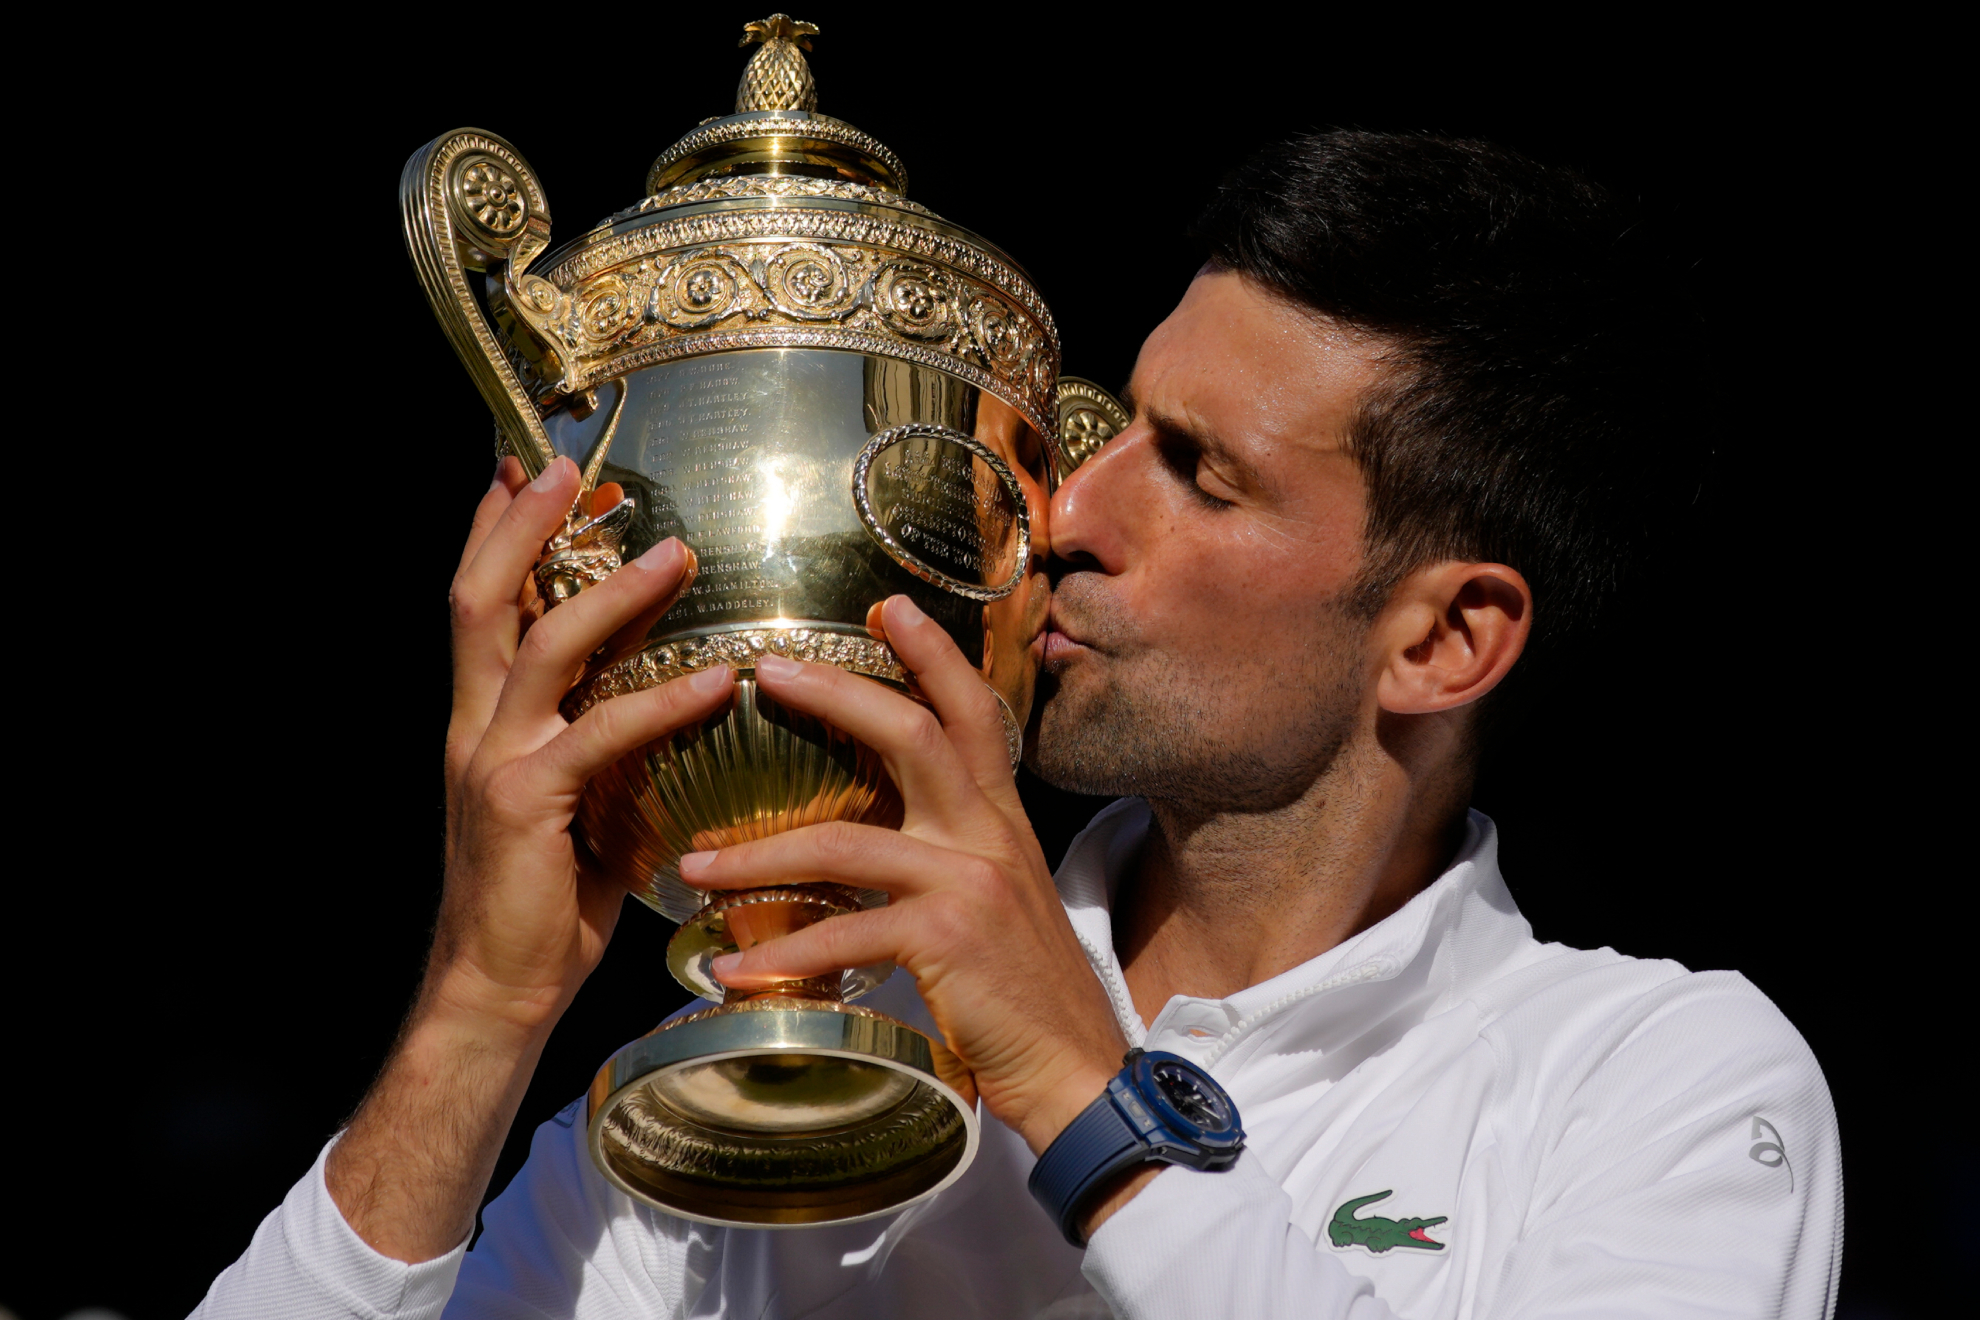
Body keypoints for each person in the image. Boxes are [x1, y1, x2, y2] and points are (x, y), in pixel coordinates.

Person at [195, 131, 1840, 1319]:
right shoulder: (807, 1048)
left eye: (1198, 473)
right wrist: (483, 1014)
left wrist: (1083, 1090)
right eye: (1117, 422)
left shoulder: (1657, 1086)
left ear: (1446, 639)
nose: (1059, 511)